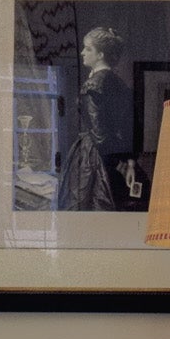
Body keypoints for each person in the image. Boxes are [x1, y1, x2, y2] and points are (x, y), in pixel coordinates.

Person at [57, 26, 135, 211]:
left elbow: (98, 132)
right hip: (116, 154)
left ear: (100, 54)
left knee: (86, 204)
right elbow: (129, 125)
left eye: (88, 48)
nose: (82, 52)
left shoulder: (92, 85)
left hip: (95, 155)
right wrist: (128, 162)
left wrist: (115, 162)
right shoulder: (119, 83)